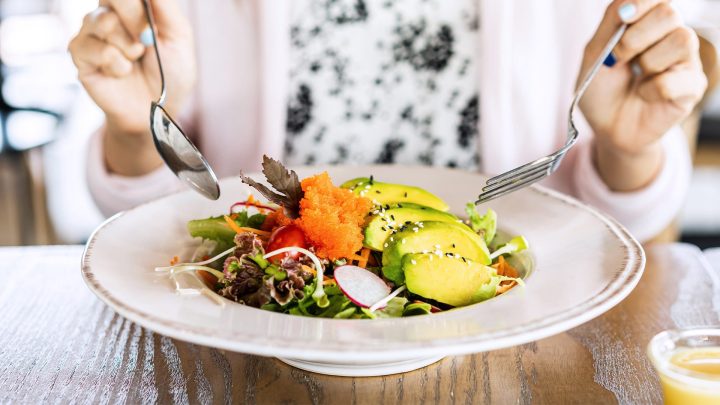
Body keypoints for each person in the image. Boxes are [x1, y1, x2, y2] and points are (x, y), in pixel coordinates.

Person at [69, 0, 711, 242]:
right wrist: (140, 127)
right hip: (244, 353)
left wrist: (626, 150)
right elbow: (162, 217)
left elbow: (628, 227)